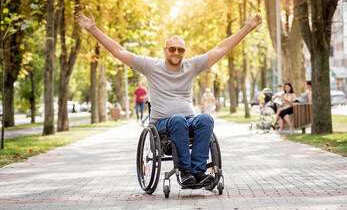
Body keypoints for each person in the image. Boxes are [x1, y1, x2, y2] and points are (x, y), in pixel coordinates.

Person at [75, 11, 262, 186]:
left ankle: (198, 171)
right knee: (178, 120)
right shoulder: (151, 66)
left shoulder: (192, 66)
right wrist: (93, 29)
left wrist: (248, 27)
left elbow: (221, 48)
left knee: (206, 118)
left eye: (181, 50)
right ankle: (184, 171)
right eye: (172, 49)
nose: (176, 53)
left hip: (189, 120)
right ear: (165, 50)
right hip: (162, 124)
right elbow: (119, 51)